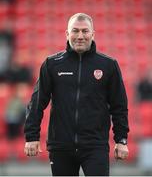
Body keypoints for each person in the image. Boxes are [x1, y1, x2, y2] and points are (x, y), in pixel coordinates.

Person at [24, 13, 129, 176]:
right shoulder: (52, 64)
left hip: (95, 146)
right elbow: (37, 102)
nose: (80, 36)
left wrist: (121, 140)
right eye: (75, 31)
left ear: (93, 34)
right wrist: (32, 136)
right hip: (61, 146)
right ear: (67, 34)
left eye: (85, 31)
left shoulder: (108, 65)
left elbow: (119, 106)